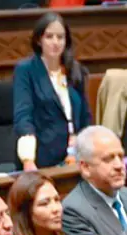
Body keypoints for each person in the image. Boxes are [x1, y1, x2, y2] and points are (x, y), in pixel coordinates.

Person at [14, 12, 94, 172]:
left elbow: (85, 116)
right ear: (39, 40)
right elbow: (23, 116)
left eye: (60, 37)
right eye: (49, 36)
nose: (55, 42)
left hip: (76, 156)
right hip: (42, 159)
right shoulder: (26, 70)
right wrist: (28, 159)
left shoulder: (75, 69)